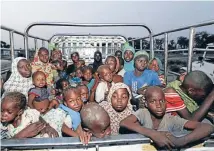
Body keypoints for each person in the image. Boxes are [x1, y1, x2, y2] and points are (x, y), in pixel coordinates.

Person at [120, 86, 214, 149]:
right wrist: (153, 134)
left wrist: (181, 141)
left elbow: (208, 127)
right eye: (153, 101)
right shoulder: (143, 113)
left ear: (166, 102)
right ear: (146, 104)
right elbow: (124, 123)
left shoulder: (171, 119)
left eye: (162, 101)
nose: (158, 105)